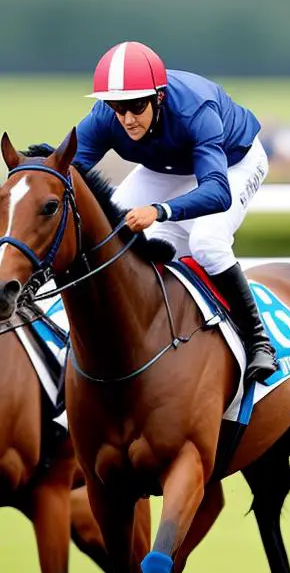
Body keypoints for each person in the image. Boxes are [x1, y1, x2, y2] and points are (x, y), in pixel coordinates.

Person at [75, 41, 277, 383]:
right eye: (116, 107)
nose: (126, 119)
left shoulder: (196, 110)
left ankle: (258, 339)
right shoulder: (107, 118)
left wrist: (161, 211)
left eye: (136, 107)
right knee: (111, 233)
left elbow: (216, 191)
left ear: (159, 97)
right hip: (166, 167)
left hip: (232, 162)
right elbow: (65, 168)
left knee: (206, 242)